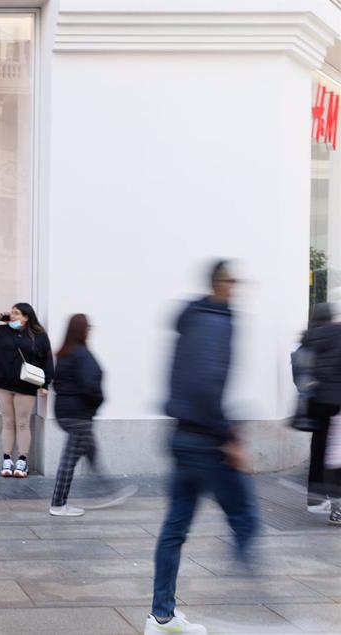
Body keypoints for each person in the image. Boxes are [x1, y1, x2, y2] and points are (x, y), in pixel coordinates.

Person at [145, 261, 259, 635]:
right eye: (233, 281)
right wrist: (230, 438)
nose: (237, 287)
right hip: (206, 442)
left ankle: (161, 616)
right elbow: (206, 383)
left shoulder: (192, 318)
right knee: (245, 518)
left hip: (182, 436)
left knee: (175, 527)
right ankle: (248, 588)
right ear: (220, 284)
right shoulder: (216, 321)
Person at [49, 314, 137, 517]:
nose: (90, 330)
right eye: (88, 327)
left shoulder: (64, 353)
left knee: (91, 453)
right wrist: (98, 401)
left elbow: (58, 383)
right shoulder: (81, 354)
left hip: (65, 412)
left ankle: (110, 491)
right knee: (69, 460)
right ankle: (58, 504)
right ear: (83, 330)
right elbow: (90, 385)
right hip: (78, 415)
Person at [0, 302, 54, 478]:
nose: (12, 316)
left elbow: (46, 361)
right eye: (11, 313)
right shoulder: (0, 331)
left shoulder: (38, 335)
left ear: (26, 317)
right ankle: (7, 459)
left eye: (17, 313)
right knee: (8, 422)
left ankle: (22, 461)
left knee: (23, 423)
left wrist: (45, 384)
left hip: (25, 385)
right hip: (3, 383)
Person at [298, 302, 341, 525]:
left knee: (319, 449)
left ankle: (315, 498)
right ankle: (337, 507)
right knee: (336, 455)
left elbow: (301, 371)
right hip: (336, 403)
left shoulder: (309, 337)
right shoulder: (337, 335)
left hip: (316, 404)